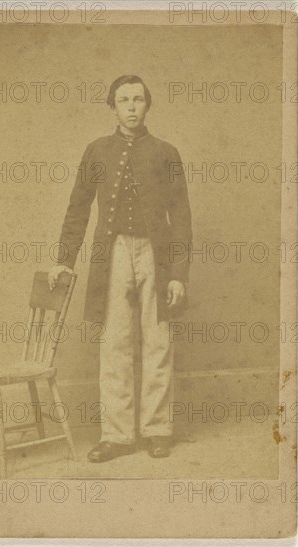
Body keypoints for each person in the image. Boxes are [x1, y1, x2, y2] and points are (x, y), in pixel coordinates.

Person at [48, 75, 192, 462]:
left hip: (156, 256)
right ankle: (117, 435)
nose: (132, 107)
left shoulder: (166, 152)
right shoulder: (97, 151)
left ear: (148, 106)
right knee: (114, 343)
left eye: (139, 100)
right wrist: (64, 258)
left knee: (158, 340)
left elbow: (180, 215)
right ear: (112, 107)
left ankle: (158, 429)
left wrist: (179, 271)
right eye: (124, 100)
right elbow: (78, 206)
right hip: (111, 254)